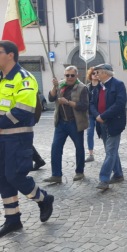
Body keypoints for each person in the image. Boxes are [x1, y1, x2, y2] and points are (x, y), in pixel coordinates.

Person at [0, 40, 54, 237]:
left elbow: (22, 111)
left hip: (18, 138)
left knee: (15, 176)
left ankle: (44, 199)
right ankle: (12, 220)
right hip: (2, 140)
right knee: (3, 180)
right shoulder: (1, 79)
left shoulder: (25, 78)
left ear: (11, 55)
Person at [44, 65, 89, 183]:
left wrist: (68, 102)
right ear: (64, 75)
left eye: (72, 75)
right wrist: (54, 87)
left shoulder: (82, 87)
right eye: (67, 75)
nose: (69, 77)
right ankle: (56, 175)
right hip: (61, 122)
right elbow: (50, 98)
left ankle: (80, 172)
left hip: (75, 123)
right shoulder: (59, 85)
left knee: (79, 148)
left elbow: (84, 106)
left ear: (76, 76)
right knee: (55, 148)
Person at [90, 64, 127, 190]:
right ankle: (118, 174)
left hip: (114, 123)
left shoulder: (118, 84)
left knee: (110, 152)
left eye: (98, 72)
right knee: (111, 151)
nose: (95, 75)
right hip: (101, 123)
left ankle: (104, 179)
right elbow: (91, 104)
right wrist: (97, 116)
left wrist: (104, 115)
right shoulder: (98, 87)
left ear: (105, 73)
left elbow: (120, 104)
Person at [85, 67, 100, 162]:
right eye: (93, 73)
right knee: (89, 133)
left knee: (103, 133)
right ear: (90, 75)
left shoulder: (102, 86)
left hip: (100, 113)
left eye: (97, 73)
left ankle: (109, 151)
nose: (95, 74)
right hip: (90, 114)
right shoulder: (87, 87)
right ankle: (91, 154)